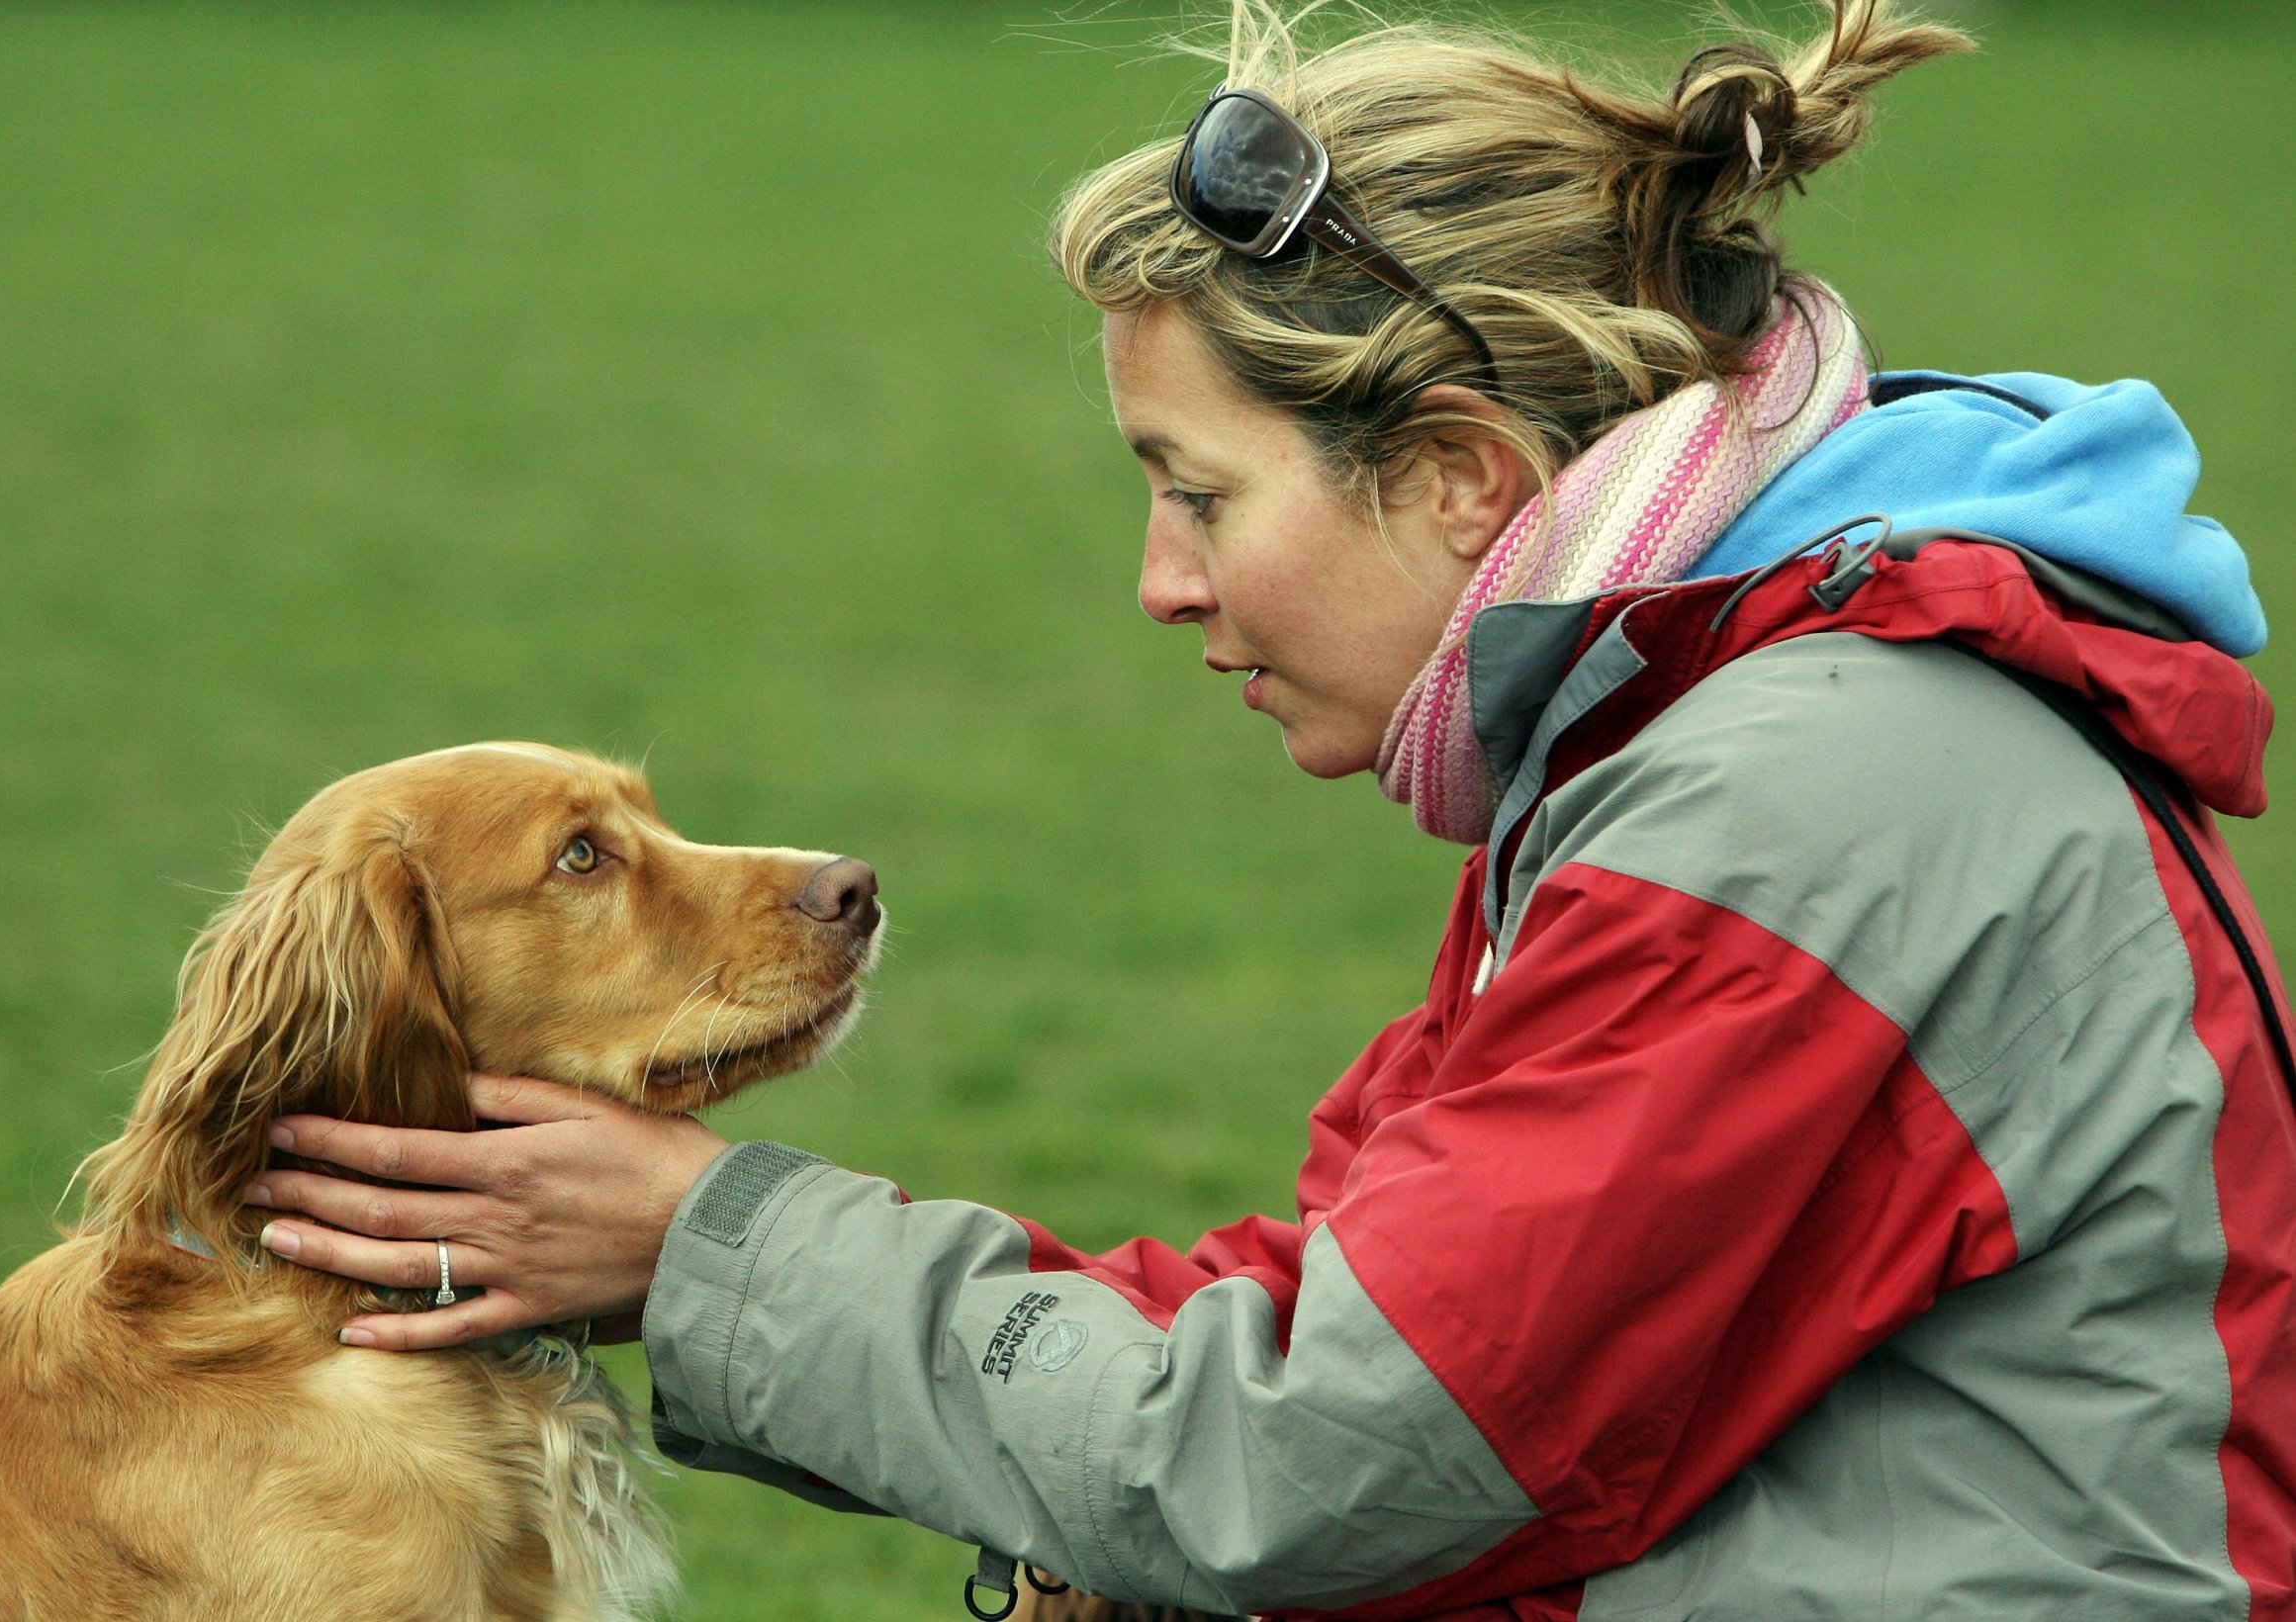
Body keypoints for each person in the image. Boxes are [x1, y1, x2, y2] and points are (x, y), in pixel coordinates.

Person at [242, 2, 2296, 1615]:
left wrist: (706, 1247)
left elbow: (1324, 1454)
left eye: (1198, 491)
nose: (1160, 581)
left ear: (1460, 479)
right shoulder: (1707, 732)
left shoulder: (1795, 804)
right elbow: (1363, 1323)